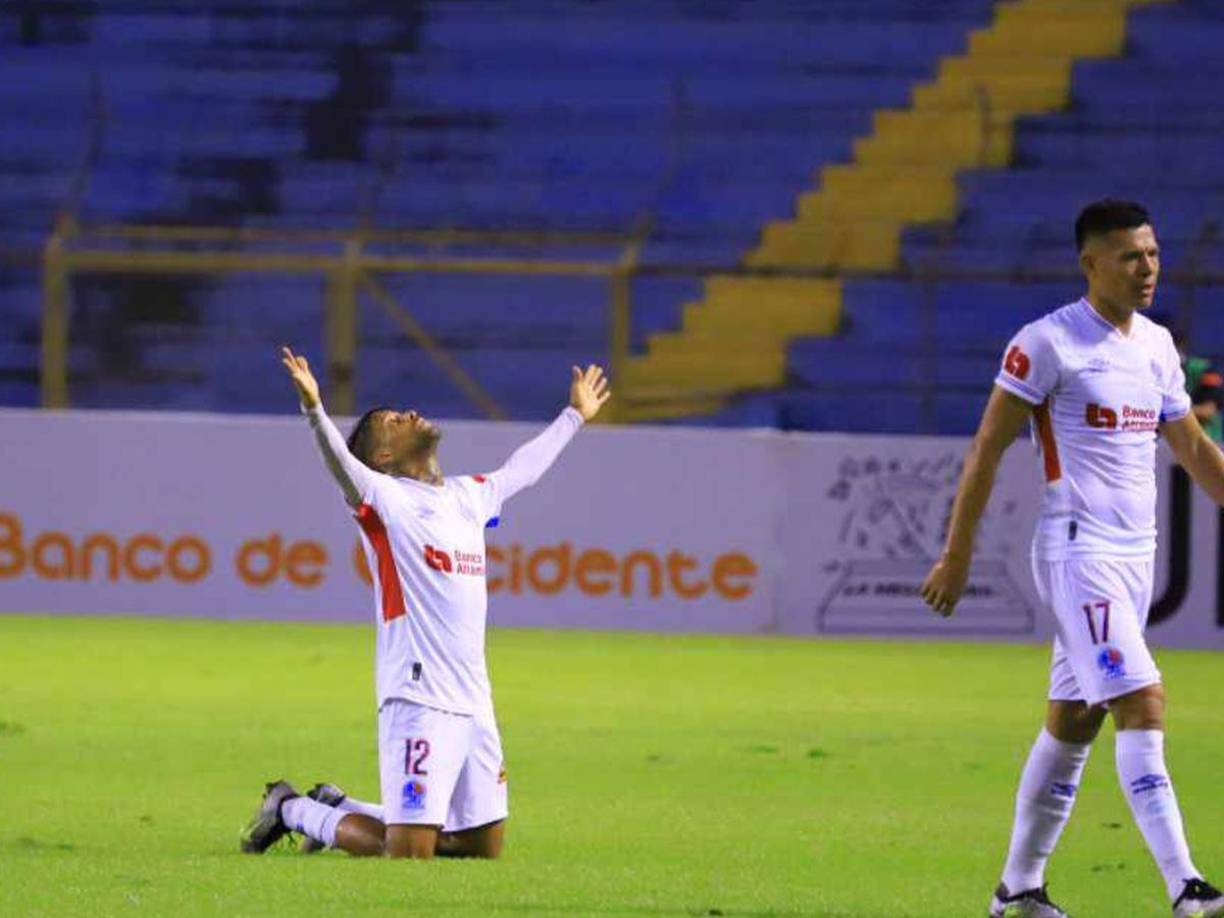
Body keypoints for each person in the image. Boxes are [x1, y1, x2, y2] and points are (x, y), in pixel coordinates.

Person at [920, 200, 1224, 918]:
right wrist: (956, 555)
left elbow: (1191, 446)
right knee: (1141, 698)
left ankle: (1018, 888)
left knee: (1075, 719)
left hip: (1136, 557)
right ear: (1091, 264)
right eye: (1130, 256)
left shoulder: (1156, 346)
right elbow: (987, 448)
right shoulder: (1047, 343)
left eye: (1153, 254)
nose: (1147, 268)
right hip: (1077, 551)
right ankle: (1185, 885)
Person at [238, 348, 611, 859]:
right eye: (394, 421)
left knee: (481, 846)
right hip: (418, 696)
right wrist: (314, 410)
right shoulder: (385, 499)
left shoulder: (467, 496)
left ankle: (340, 804)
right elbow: (341, 465)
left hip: (473, 696)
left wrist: (574, 416)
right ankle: (292, 809)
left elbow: (522, 470)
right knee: (410, 852)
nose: (410, 414)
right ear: (383, 458)